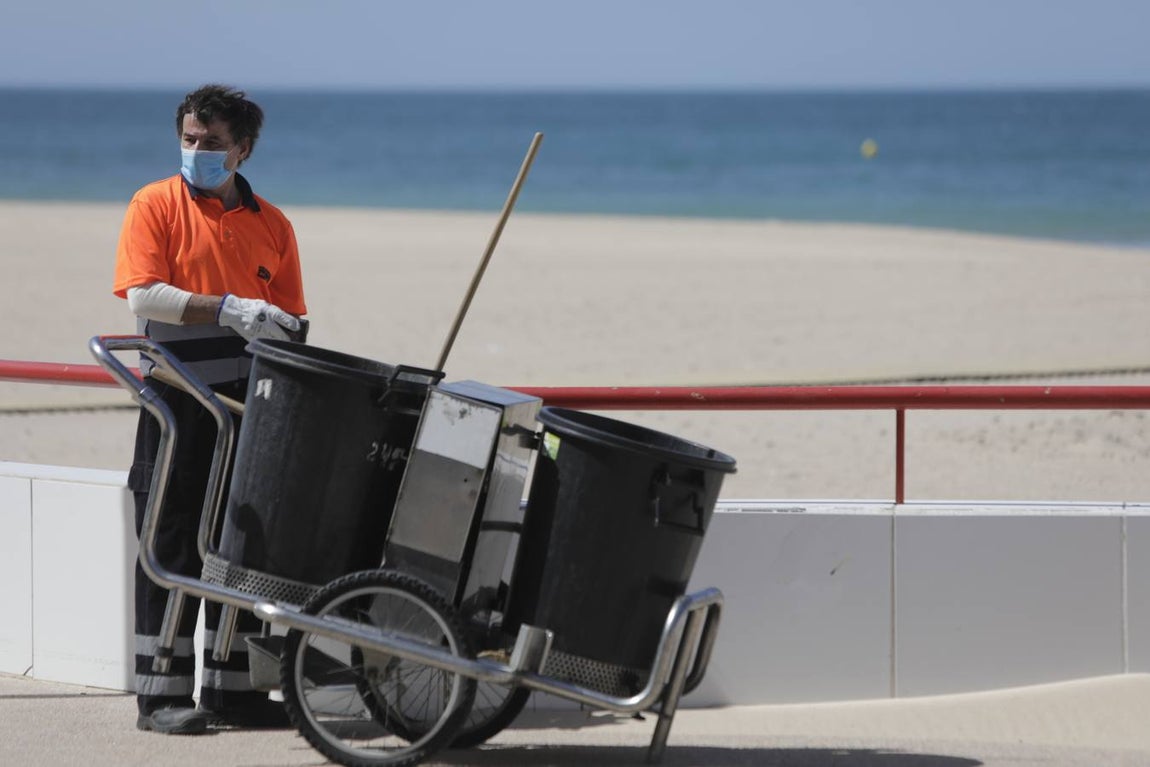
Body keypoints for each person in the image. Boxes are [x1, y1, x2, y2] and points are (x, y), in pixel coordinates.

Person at [112, 84, 307, 735]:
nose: (197, 151)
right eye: (190, 139)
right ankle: (159, 693)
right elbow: (144, 296)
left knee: (242, 543)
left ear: (242, 149)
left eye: (213, 143)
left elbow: (293, 315)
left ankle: (234, 691)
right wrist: (225, 305)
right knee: (169, 539)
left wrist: (279, 325)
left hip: (249, 402)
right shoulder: (155, 203)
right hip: (177, 398)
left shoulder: (273, 224)